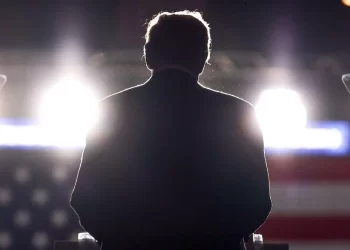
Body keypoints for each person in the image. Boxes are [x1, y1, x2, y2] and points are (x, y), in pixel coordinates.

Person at [70, 10, 272, 250]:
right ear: (203, 57)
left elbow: (85, 197)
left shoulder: (110, 110)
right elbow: (257, 200)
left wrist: (117, 239)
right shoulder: (238, 113)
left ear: (148, 55)